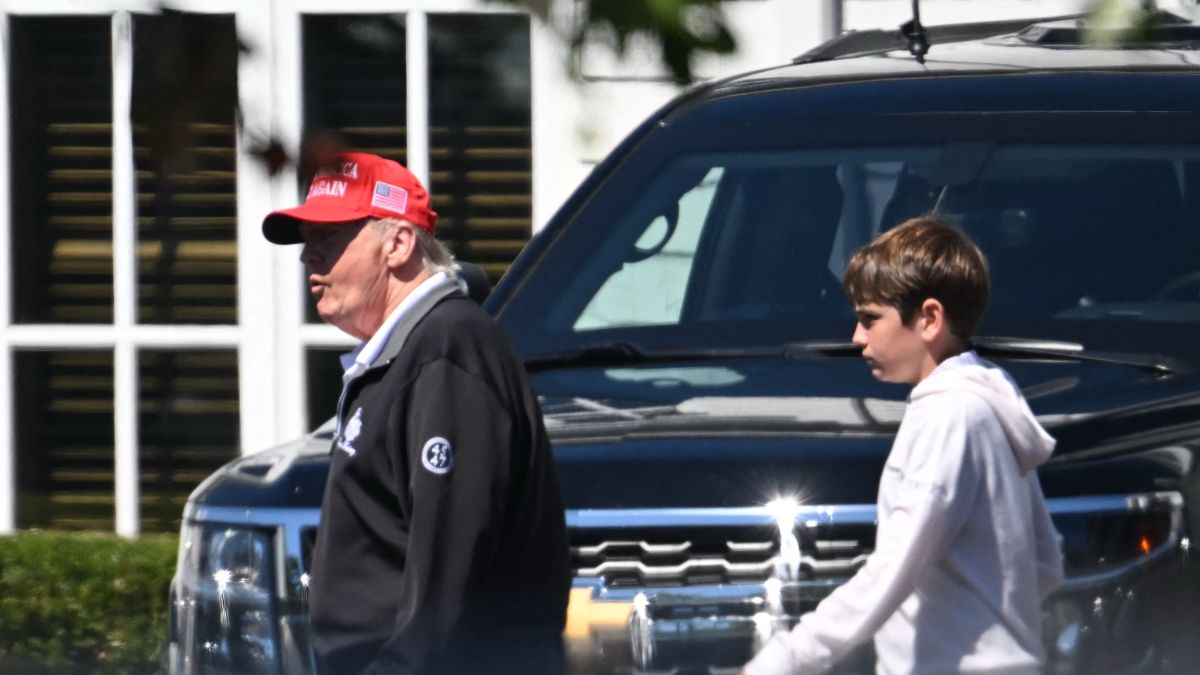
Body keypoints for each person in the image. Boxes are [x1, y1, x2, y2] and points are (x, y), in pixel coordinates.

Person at [261, 151, 571, 674]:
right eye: (308, 240)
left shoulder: (448, 348)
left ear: (399, 244)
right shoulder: (410, 351)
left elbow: (453, 566)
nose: (308, 257)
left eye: (329, 238)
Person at [743, 217, 1063, 675]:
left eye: (870, 318)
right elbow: (1046, 560)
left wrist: (784, 660)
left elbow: (891, 571)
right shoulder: (990, 404)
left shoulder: (948, 415)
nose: (857, 337)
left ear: (930, 318)